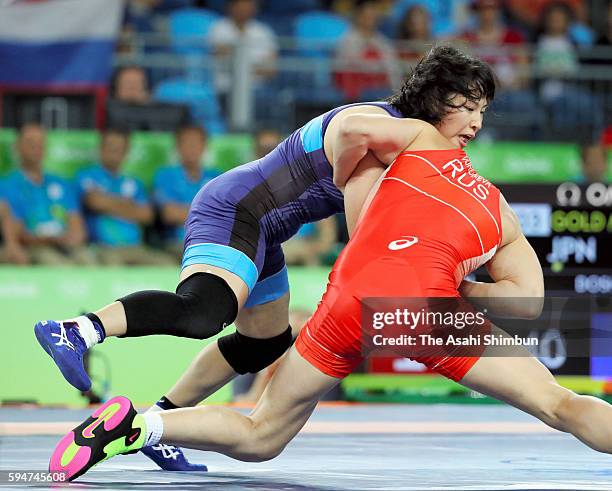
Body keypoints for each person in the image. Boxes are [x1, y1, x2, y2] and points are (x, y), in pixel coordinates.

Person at [54, 97, 612, 483]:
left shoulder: (409, 145)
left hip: (349, 297)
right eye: (473, 112)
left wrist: (349, 178)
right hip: (425, 307)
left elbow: (351, 142)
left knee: (260, 432)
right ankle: (107, 364)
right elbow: (527, 304)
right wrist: (464, 289)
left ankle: (139, 424)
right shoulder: (497, 207)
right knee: (560, 404)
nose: (475, 124)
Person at [35, 46, 495, 471]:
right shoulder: (377, 126)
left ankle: (158, 422)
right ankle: (76, 330)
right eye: (468, 107)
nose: (476, 124)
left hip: (267, 231)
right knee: (203, 311)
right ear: (435, 99)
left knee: (263, 342)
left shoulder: (399, 144)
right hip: (237, 210)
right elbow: (366, 228)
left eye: (482, 112)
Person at [76, 128, 174, 266]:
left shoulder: (134, 182)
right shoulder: (87, 175)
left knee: (165, 265)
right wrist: (129, 206)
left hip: (135, 247)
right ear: (101, 149)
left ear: (126, 152)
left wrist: (108, 203)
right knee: (112, 266)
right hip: (103, 248)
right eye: (111, 147)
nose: (115, 152)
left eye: (120, 148)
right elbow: (95, 202)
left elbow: (146, 215)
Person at [1, 123, 94, 266]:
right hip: (35, 247)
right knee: (54, 262)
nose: (36, 148)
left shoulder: (61, 183)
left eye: (40, 143)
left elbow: (77, 225)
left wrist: (71, 239)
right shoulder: (7, 185)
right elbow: (16, 233)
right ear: (17, 147)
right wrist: (47, 240)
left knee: (88, 260)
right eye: (30, 142)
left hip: (66, 245)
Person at [153, 125, 221, 261]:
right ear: (177, 147)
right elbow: (170, 214)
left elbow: (227, 217)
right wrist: (211, 214)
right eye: (186, 142)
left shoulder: (217, 177)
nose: (191, 147)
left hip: (213, 246)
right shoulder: (165, 175)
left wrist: (184, 212)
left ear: (204, 147)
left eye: (196, 143)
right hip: (177, 245)